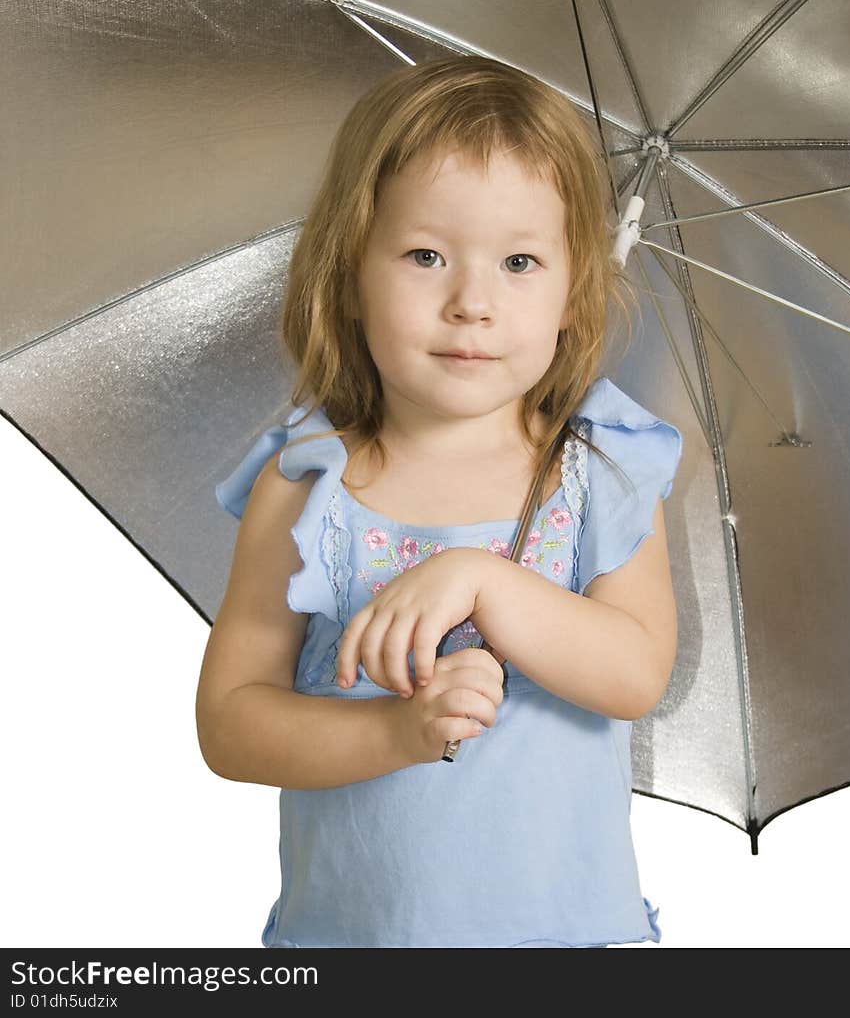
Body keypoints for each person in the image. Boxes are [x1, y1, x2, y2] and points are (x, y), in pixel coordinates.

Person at [196, 55, 684, 949]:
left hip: (562, 940)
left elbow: (636, 672)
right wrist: (397, 730)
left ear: (576, 292)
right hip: (351, 942)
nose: (473, 302)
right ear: (350, 274)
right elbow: (231, 721)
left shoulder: (600, 472)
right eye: (426, 255)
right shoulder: (311, 486)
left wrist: (484, 583)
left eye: (521, 261)